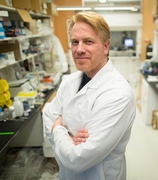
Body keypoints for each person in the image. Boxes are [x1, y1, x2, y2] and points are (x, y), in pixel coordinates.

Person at [43, 11, 136, 180]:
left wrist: (58, 129)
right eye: (74, 42)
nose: (79, 49)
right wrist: (69, 137)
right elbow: (48, 118)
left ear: (106, 46)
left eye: (88, 41)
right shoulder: (69, 81)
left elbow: (77, 159)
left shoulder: (118, 95)